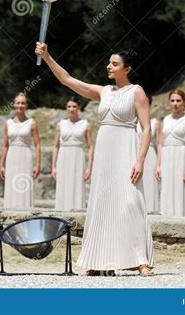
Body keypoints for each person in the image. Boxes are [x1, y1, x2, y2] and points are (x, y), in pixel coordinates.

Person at [35, 42, 154, 276]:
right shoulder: (104, 91)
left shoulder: (137, 91)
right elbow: (67, 80)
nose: (108, 66)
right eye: (109, 62)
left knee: (130, 202)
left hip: (127, 150)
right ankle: (98, 260)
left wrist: (140, 160)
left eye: (114, 64)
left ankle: (140, 260)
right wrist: (48, 57)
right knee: (102, 203)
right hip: (104, 155)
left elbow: (147, 128)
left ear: (127, 69)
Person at [156, 90, 185, 217]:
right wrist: (158, 165)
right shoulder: (165, 120)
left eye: (178, 100)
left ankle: (183, 221)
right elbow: (160, 143)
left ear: (184, 102)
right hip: (166, 157)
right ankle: (166, 220)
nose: (175, 103)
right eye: (172, 100)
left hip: (181, 156)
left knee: (181, 189)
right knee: (166, 189)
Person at [0, 93, 41, 208]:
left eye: (23, 103)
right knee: (11, 187)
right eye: (18, 103)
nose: (20, 105)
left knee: (25, 185)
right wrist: (1, 165)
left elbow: (37, 145)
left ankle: (26, 215)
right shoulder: (8, 123)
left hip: (25, 156)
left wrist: (37, 165)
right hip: (11, 157)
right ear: (13, 105)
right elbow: (5, 146)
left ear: (26, 105)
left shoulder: (32, 123)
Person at [52, 96, 93, 211]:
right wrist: (53, 166)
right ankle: (61, 214)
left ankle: (77, 214)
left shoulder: (85, 124)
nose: (72, 109)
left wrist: (89, 167)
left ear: (79, 107)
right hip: (63, 157)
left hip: (78, 157)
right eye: (69, 106)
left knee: (77, 186)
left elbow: (90, 147)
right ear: (66, 108)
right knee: (63, 186)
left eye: (74, 106)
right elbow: (55, 146)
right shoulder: (60, 124)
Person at [137, 94, 160, 213]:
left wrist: (159, 165)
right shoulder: (133, 121)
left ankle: (151, 213)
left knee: (150, 185)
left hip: (150, 155)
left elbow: (160, 144)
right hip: (136, 154)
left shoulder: (155, 122)